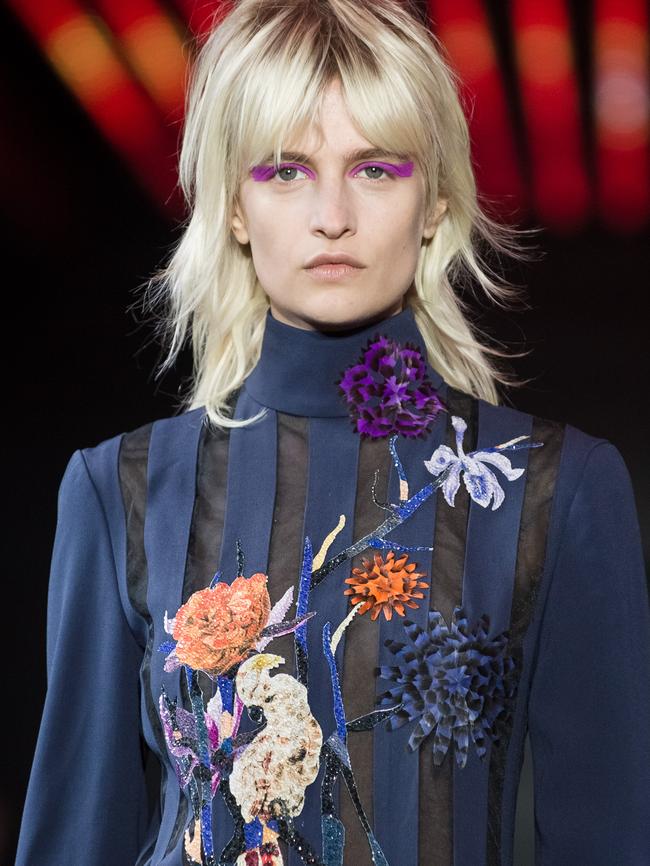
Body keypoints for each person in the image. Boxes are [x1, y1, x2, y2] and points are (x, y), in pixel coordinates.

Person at [15, 1, 650, 865]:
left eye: (377, 169)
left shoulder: (554, 489)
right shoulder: (124, 489)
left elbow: (610, 837)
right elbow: (76, 839)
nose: (332, 215)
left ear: (434, 201)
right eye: (284, 170)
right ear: (233, 206)